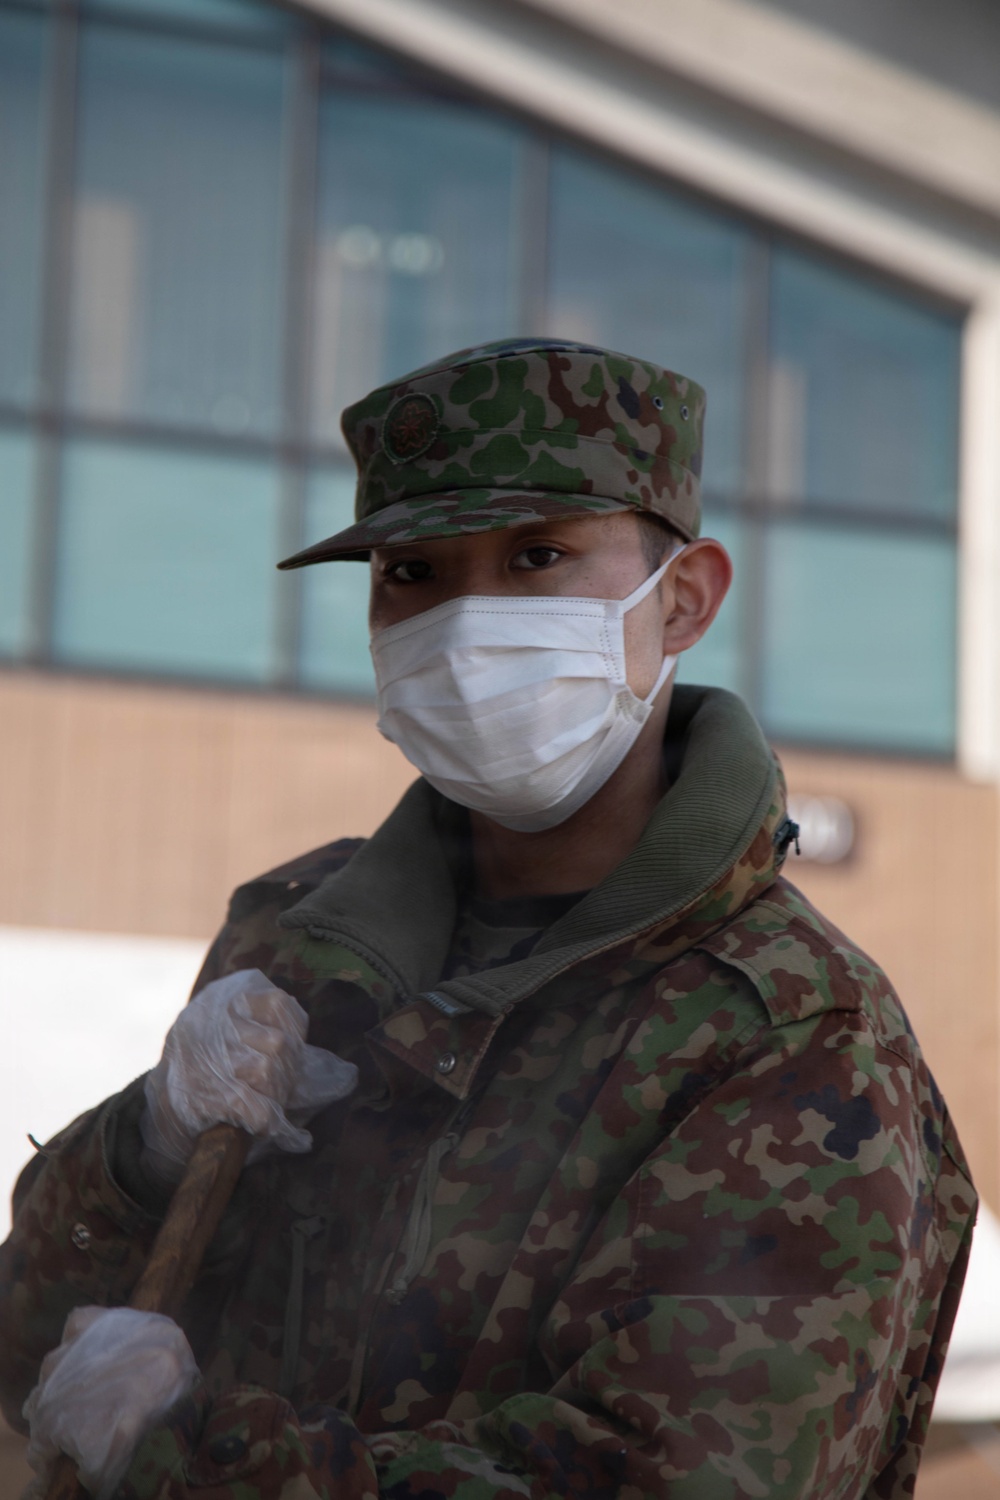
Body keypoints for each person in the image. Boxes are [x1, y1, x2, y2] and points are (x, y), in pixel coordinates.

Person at [0, 338, 976, 1500]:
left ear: (683, 602)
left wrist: (190, 1457)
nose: (467, 629)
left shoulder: (785, 1028)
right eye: (412, 574)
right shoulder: (299, 938)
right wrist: (142, 1148)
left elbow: (677, 1478)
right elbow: (33, 1355)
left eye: (537, 556)